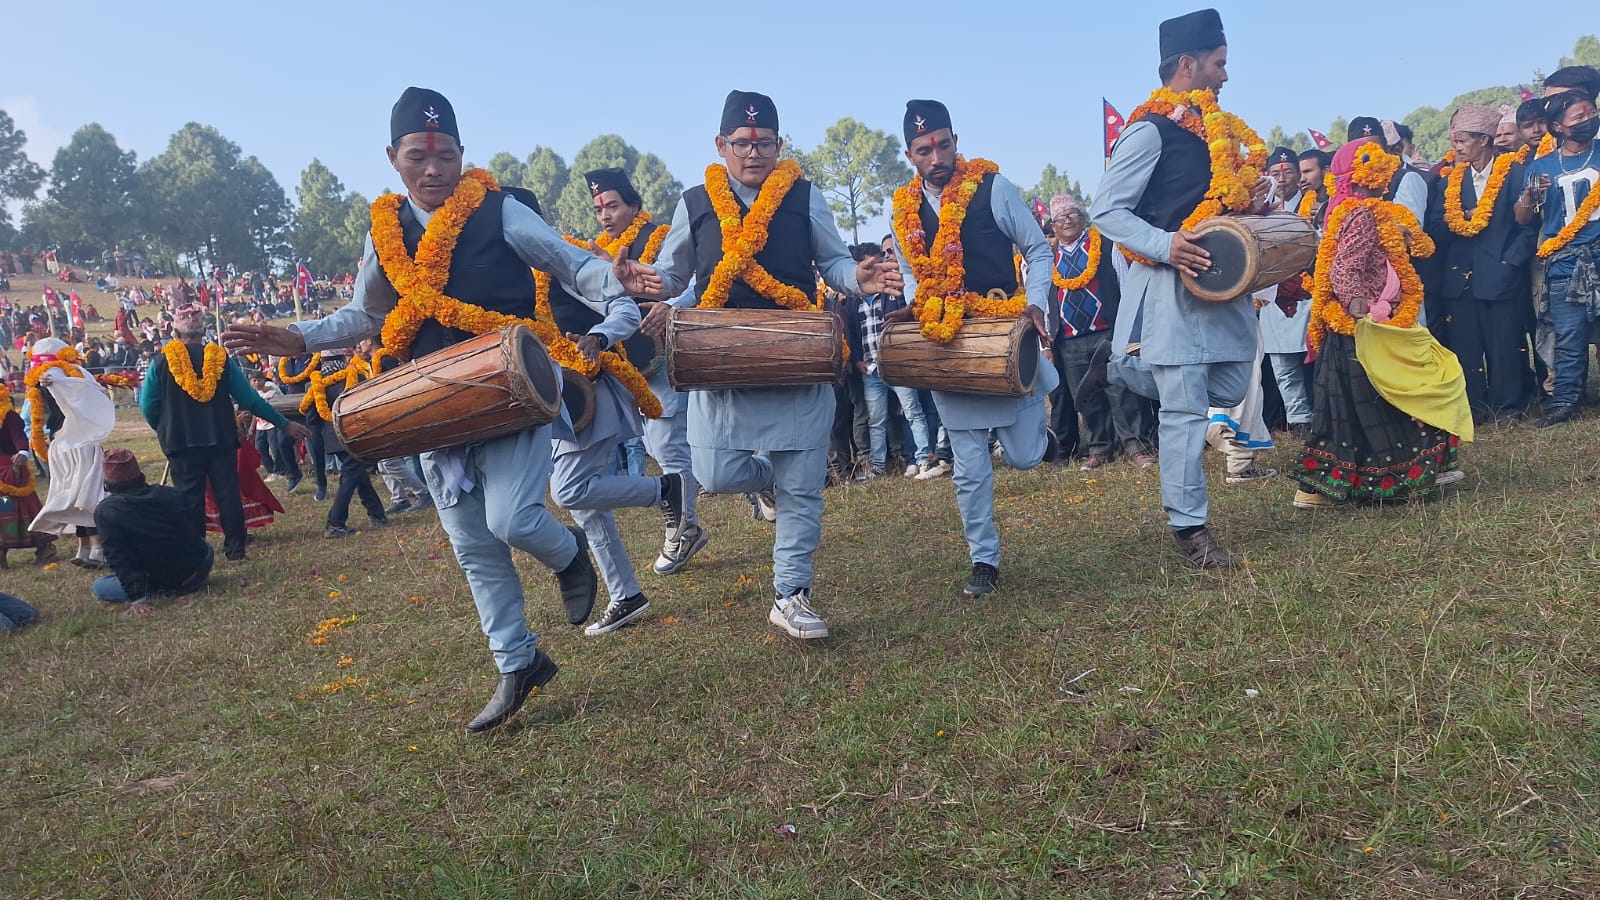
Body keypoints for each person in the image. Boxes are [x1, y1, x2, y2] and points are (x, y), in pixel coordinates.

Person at [222, 86, 661, 732]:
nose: (433, 169)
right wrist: (300, 337)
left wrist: (612, 289)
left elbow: (571, 265)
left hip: (511, 392)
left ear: (462, 154)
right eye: (418, 156)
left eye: (445, 154)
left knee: (512, 518)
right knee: (471, 542)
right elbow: (366, 314)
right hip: (433, 406)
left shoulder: (501, 211)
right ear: (393, 157)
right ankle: (518, 662)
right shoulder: (386, 232)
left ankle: (569, 552)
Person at [641, 89, 900, 639]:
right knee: (714, 473)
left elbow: (831, 260)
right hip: (720, 358)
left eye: (764, 143)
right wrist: (649, 287)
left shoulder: (804, 196)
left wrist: (860, 280)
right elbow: (672, 274)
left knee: (803, 486)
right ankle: (768, 483)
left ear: (778, 145)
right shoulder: (695, 202)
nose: (753, 153)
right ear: (720, 144)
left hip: (798, 353)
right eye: (742, 143)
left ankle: (791, 595)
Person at [1091, 8, 1268, 569]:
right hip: (1168, 290)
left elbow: (1216, 205)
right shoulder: (1149, 130)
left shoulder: (1216, 132)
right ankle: (1190, 527)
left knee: (1236, 379)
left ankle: (1124, 371)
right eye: (1219, 64)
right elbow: (1106, 211)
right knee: (1185, 410)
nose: (1226, 75)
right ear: (1188, 64)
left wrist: (1251, 206)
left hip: (1219, 294)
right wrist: (1167, 245)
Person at [889, 99, 1057, 595]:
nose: (936, 156)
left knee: (1025, 457)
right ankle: (984, 560)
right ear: (910, 154)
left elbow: (1038, 248)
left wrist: (1037, 303)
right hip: (950, 346)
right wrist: (921, 306)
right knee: (969, 466)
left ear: (955, 142)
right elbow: (907, 273)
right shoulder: (902, 208)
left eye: (943, 144)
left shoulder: (993, 187)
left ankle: (1037, 435)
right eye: (924, 149)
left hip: (1004, 337)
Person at [534, 168, 692, 637]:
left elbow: (622, 306)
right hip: (551, 400)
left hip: (591, 393)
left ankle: (664, 490)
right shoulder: (498, 281)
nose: (604, 214)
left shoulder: (565, 262)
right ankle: (626, 594)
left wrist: (598, 337)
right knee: (584, 507)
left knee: (569, 492)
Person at [1291, 139, 1470, 508]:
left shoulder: (1357, 209)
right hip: (1362, 326)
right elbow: (1343, 269)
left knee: (1358, 407)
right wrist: (1364, 313)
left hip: (1361, 325)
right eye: (1378, 165)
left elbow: (1420, 249)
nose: (1387, 172)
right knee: (1388, 395)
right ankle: (1381, 478)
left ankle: (1329, 489)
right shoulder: (1362, 213)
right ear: (1363, 174)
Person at [571, 168, 706, 583]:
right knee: (664, 444)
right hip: (632, 369)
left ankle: (684, 527)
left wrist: (673, 303)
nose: (605, 216)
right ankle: (759, 483)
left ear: (634, 205)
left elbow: (699, 274)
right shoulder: (602, 252)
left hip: (669, 357)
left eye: (612, 205)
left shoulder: (660, 237)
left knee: (669, 446)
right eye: (598, 209)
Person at [140, 306, 307, 561]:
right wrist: (284, 424)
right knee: (228, 494)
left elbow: (148, 406)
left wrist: (164, 428)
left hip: (180, 442)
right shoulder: (219, 358)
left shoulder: (160, 362)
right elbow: (250, 399)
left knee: (189, 498)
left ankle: (197, 554)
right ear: (204, 330)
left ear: (174, 332)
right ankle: (236, 551)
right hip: (220, 438)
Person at [1426, 104, 1535, 423]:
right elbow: (1434, 230)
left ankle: (1507, 407)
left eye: (1462, 140)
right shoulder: (1448, 183)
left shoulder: (1514, 173)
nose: (1456, 147)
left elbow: (1528, 228)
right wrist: (1460, 218)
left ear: (1484, 139)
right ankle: (1473, 408)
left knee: (1504, 345)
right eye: (1455, 140)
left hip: (1501, 274)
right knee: (1465, 347)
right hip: (1459, 280)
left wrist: (1510, 263)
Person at [1045, 194, 1152, 470]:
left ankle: (1136, 445)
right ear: (1053, 227)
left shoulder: (1105, 246)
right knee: (1086, 396)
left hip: (1108, 333)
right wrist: (1047, 342)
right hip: (1069, 340)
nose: (1067, 221)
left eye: (1072, 215)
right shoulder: (1046, 260)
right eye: (1060, 218)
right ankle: (1099, 448)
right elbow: (1045, 303)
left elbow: (1126, 285)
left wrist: (1131, 329)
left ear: (1082, 218)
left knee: (1121, 389)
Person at [1515, 90, 1600, 428]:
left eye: (1591, 113)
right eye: (1579, 117)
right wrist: (1528, 196)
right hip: (1565, 262)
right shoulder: (1541, 167)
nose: (1588, 120)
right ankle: (1565, 402)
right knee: (1569, 336)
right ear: (1558, 128)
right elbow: (1523, 218)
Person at [843, 242, 934, 480]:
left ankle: (923, 459)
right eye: (870, 264)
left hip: (896, 365)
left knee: (912, 412)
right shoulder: (854, 299)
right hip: (870, 369)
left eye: (880, 262)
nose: (877, 268)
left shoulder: (894, 293)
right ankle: (877, 467)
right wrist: (856, 359)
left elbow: (908, 320)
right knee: (876, 420)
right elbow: (852, 331)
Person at [92, 448, 215, 615]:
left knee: (100, 586)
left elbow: (119, 556)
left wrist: (138, 598)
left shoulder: (107, 512)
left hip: (163, 575)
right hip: (198, 566)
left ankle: (160, 588)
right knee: (205, 547)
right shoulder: (170, 494)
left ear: (108, 484)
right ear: (140, 476)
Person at [25, 337, 114, 567]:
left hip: (77, 442)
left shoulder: (70, 374)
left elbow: (84, 395)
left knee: (86, 494)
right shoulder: (47, 378)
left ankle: (96, 547)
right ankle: (86, 546)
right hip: (68, 442)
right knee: (80, 495)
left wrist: (54, 381)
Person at [1, 388, 58, 568]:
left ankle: (45, 547)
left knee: (15, 509)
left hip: (11, 471)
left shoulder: (9, 417)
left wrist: (23, 452)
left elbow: (19, 438)